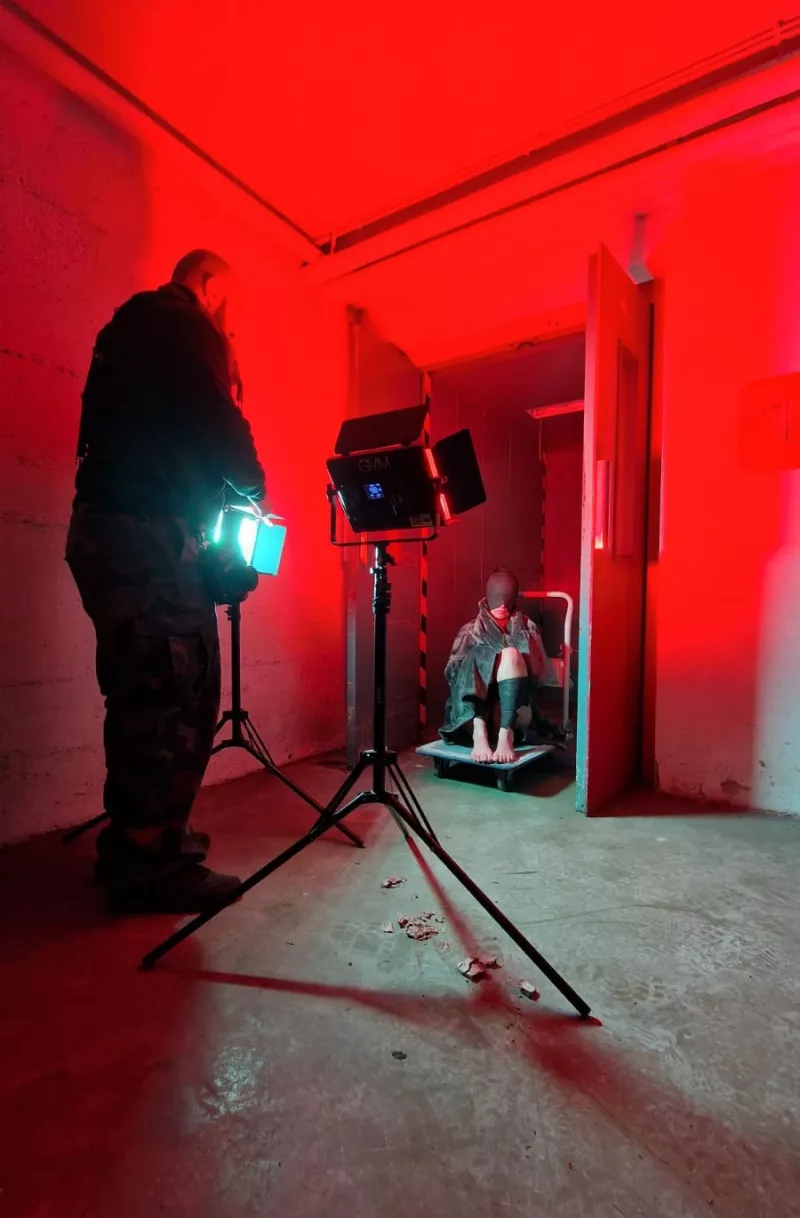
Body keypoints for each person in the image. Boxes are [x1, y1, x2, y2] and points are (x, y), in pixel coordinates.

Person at [66, 250, 266, 913]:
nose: (232, 325)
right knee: (178, 691)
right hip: (145, 535)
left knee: (140, 689)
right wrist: (255, 501)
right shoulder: (185, 324)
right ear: (208, 285)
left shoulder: (124, 331)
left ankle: (138, 842)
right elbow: (220, 430)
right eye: (232, 306)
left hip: (105, 534)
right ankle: (152, 864)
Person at [439, 569, 552, 764]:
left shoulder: (528, 628)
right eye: (497, 597)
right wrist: (489, 664)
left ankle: (505, 736)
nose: (501, 604)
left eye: (506, 598)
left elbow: (541, 675)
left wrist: (515, 650)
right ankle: (479, 733)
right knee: (483, 653)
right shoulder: (470, 631)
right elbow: (453, 678)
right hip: (470, 715)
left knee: (510, 654)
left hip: (514, 713)